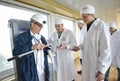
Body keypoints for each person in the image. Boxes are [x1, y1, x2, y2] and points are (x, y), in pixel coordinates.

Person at [73, 5, 111, 81]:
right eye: (82, 16)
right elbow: (87, 43)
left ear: (92, 15)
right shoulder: (87, 27)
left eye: (85, 16)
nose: (83, 19)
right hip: (87, 62)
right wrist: (79, 47)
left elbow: (105, 49)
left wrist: (102, 71)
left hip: (96, 64)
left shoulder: (101, 26)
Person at [13, 14, 49, 81]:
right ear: (32, 24)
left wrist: (50, 49)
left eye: (42, 26)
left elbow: (46, 52)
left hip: (43, 71)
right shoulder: (22, 37)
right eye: (39, 25)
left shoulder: (42, 38)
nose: (41, 28)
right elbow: (16, 53)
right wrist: (32, 47)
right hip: (30, 74)